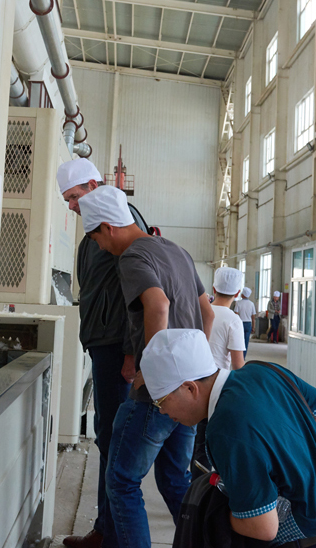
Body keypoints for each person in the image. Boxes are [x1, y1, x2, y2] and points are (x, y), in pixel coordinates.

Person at [142, 329, 316, 547]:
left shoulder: (224, 428)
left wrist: (212, 512)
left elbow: (263, 527)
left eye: (161, 401)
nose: (162, 411)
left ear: (189, 388)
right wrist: (313, 471)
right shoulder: (266, 371)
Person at [77, 185, 214, 548]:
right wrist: (197, 364)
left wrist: (151, 372)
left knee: (121, 481)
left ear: (107, 227)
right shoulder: (176, 250)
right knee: (174, 477)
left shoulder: (132, 258)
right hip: (194, 388)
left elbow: (158, 306)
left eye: (96, 239)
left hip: (160, 392)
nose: (100, 248)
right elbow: (208, 311)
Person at [56, 158, 148, 548]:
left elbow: (140, 295)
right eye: (67, 200)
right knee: (105, 437)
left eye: (75, 196)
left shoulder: (124, 221)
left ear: (94, 186)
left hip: (116, 349)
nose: (72, 206)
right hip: (103, 345)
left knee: (113, 441)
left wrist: (131, 353)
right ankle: (106, 529)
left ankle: (110, 534)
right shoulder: (92, 233)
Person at [191, 266, 245, 478]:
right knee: (211, 443)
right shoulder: (233, 320)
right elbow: (238, 365)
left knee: (196, 445)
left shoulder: (200, 311)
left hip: (193, 382)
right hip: (217, 388)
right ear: (238, 293)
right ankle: (203, 498)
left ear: (213, 288)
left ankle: (193, 493)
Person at [234, 286, 257, 354]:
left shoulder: (238, 303)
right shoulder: (251, 304)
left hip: (240, 323)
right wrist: (253, 327)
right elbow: (253, 317)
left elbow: (236, 314)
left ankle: (239, 355)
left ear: (243, 295)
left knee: (239, 341)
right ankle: (243, 356)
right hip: (248, 324)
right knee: (246, 342)